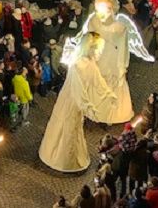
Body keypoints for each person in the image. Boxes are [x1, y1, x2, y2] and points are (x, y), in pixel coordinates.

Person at [66, 0, 154, 123]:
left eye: (106, 8)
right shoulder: (94, 21)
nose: (102, 13)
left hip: (113, 59)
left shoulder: (120, 26)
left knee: (112, 84)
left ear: (112, 8)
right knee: (97, 81)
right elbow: (87, 39)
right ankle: (94, 111)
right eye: (99, 8)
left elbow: (124, 47)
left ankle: (112, 114)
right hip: (98, 57)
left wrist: (122, 65)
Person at [39, 33, 118, 173]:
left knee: (75, 127)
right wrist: (87, 105)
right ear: (90, 48)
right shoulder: (77, 65)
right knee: (68, 126)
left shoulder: (91, 64)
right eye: (98, 50)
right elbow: (78, 89)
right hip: (71, 101)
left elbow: (98, 81)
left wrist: (108, 93)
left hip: (80, 102)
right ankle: (63, 159)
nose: (100, 53)